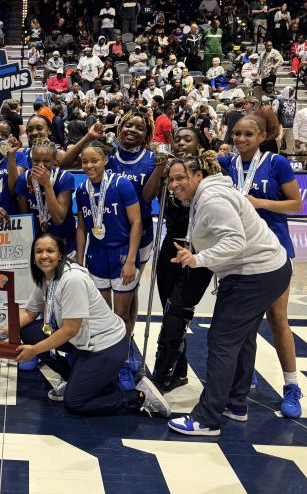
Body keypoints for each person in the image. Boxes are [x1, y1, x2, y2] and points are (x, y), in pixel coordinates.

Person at [166, 152, 293, 436]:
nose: (174, 184)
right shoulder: (208, 194)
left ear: (198, 176)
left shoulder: (212, 200)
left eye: (180, 178)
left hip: (254, 274)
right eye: (171, 179)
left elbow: (235, 241)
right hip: (269, 269)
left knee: (222, 341)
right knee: (243, 338)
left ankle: (207, 419)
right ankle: (235, 404)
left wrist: (197, 259)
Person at [14, 233, 170, 417]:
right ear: (33, 257)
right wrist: (2, 331)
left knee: (74, 403)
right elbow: (28, 313)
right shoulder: (46, 277)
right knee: (29, 330)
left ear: (61, 255)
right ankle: (74, 379)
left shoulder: (72, 280)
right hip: (85, 341)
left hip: (106, 347)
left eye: (50, 251)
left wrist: (34, 350)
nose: (44, 255)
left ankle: (139, 397)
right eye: (39, 251)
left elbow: (70, 330)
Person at [219, 112, 304, 418]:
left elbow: (296, 204)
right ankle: (245, 373)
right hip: (240, 252)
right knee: (244, 322)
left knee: (278, 318)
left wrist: (260, 203)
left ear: (261, 137)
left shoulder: (276, 163)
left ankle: (291, 385)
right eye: (236, 133)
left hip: (275, 250)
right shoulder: (225, 164)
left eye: (247, 135)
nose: (240, 139)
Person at [143, 128, 214, 392]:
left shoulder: (209, 174)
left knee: (178, 312)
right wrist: (161, 168)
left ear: (199, 143)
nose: (182, 142)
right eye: (179, 138)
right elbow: (147, 196)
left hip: (197, 251)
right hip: (170, 248)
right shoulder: (169, 171)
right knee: (170, 311)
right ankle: (179, 371)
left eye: (188, 138)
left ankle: (161, 375)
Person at [74, 140, 142, 391]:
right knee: (104, 317)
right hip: (97, 256)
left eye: (94, 160)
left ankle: (124, 360)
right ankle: (108, 361)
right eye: (84, 162)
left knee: (122, 314)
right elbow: (81, 227)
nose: (89, 165)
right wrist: (80, 261)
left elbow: (136, 222)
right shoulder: (81, 190)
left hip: (121, 253)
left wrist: (132, 259)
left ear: (104, 160)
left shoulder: (121, 184)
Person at [15, 139, 76, 255]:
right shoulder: (23, 179)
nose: (41, 165)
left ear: (54, 160)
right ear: (31, 160)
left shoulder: (65, 178)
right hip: (37, 244)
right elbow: (24, 219)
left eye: (46, 161)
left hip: (63, 243)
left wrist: (47, 184)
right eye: (36, 160)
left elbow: (58, 219)